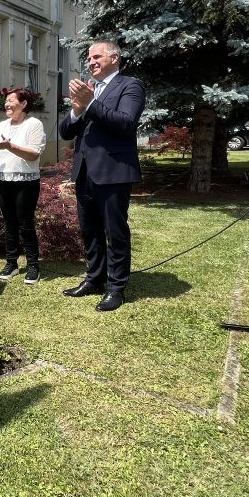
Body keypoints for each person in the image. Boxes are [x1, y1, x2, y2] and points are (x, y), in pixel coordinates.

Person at [59, 39, 145, 312]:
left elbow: (125, 123)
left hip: (113, 172)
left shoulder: (130, 86)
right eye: (89, 58)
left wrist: (90, 103)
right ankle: (94, 278)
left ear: (114, 58)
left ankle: (116, 288)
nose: (91, 62)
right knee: (89, 230)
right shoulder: (89, 91)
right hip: (85, 171)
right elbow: (65, 132)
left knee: (115, 231)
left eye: (97, 57)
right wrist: (76, 109)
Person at [0, 89, 47, 284]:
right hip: (4, 180)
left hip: (26, 182)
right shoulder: (1, 125)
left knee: (25, 223)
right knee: (9, 223)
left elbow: (34, 154)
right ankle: (12, 263)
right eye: (6, 101)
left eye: (10, 101)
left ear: (24, 104)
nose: (6, 104)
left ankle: (33, 265)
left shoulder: (34, 124)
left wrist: (10, 146)